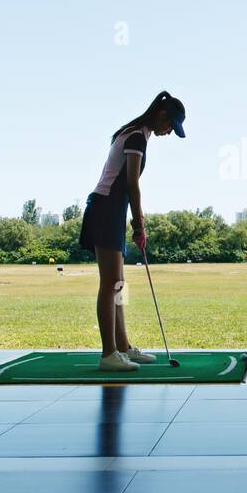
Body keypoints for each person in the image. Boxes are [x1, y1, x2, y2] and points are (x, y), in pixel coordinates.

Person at [79, 91, 186, 371]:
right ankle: (108, 354)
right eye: (170, 127)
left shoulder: (137, 133)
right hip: (105, 209)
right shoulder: (137, 135)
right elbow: (131, 184)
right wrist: (139, 222)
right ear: (162, 116)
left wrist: (134, 219)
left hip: (112, 209)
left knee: (118, 284)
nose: (169, 133)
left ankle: (123, 346)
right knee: (110, 283)